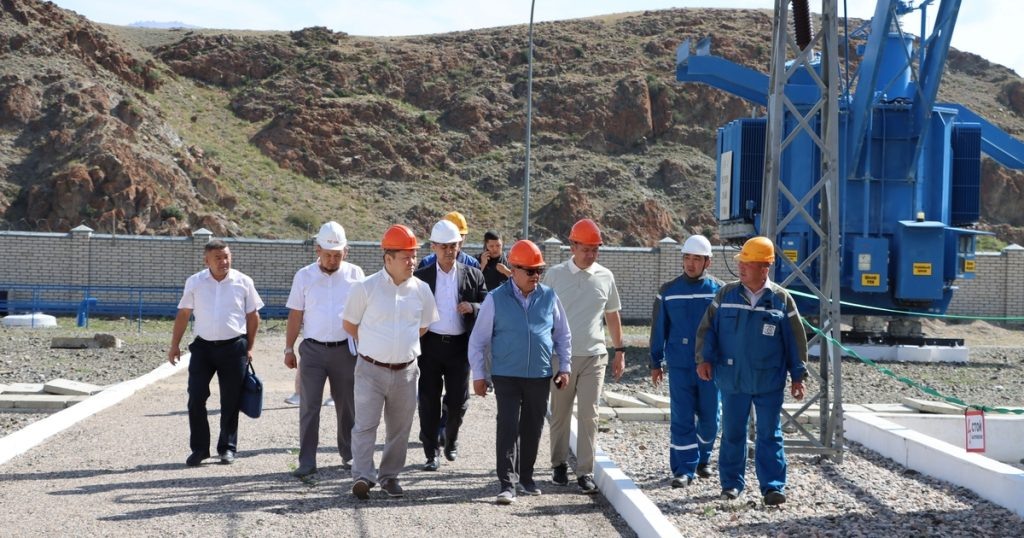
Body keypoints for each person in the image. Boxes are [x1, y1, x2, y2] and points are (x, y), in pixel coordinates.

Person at [695, 236, 808, 506]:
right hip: (732, 379)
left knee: (769, 433)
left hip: (769, 380)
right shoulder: (726, 295)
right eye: (741, 262)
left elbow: (795, 341)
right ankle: (731, 485)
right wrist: (703, 359)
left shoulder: (781, 300)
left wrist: (798, 376)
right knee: (733, 433)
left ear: (764, 267)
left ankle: (773, 487)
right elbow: (707, 330)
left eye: (748, 263)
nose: (741, 267)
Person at [468, 239, 572, 505]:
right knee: (508, 425)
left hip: (539, 374)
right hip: (506, 374)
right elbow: (478, 340)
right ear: (513, 270)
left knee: (533, 427)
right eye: (530, 271)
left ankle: (526, 477)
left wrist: (565, 367)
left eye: (539, 271)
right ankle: (507, 483)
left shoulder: (549, 296)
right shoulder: (495, 299)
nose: (536, 276)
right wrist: (479, 375)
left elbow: (562, 335)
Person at [343, 224, 438, 500]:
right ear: (388, 259)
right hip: (370, 370)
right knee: (365, 425)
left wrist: (399, 348)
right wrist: (376, 346)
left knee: (400, 429)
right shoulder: (366, 288)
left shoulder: (422, 290)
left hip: (406, 371)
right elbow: (350, 324)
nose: (413, 262)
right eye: (406, 257)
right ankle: (362, 476)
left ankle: (390, 477)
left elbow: (423, 327)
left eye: (414, 255)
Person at [544, 218, 625, 495]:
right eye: (586, 249)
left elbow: (612, 315)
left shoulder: (605, 276)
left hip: (594, 357)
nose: (591, 255)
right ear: (572, 247)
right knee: (560, 413)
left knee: (590, 415)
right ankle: (558, 464)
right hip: (561, 358)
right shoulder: (554, 276)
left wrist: (620, 350)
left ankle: (585, 472)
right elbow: (543, 316)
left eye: (595, 249)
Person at [168, 239, 264, 467]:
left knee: (231, 399)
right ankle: (200, 449)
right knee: (196, 397)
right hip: (203, 348)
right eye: (218, 258)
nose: (224, 262)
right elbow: (184, 314)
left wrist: (249, 347)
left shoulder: (244, 282)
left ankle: (227, 447)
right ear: (207, 260)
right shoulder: (195, 282)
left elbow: (253, 316)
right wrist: (174, 344)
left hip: (234, 348)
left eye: (226, 256)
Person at [283, 221, 365, 478]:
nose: (332, 260)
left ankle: (349, 455)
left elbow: (364, 313)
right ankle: (307, 461)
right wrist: (288, 348)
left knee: (347, 405)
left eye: (337, 255)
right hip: (313, 351)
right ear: (317, 250)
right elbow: (295, 314)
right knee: (309, 406)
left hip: (345, 351)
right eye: (328, 254)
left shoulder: (356, 275)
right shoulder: (304, 276)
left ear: (346, 252)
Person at [649, 235, 723, 488]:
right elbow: (658, 329)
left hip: (710, 366)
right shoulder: (668, 291)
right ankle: (683, 469)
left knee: (710, 419)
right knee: (681, 417)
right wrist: (655, 362)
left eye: (697, 259)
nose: (690, 264)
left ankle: (703, 457)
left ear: (707, 262)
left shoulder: (719, 291)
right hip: (680, 365)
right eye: (687, 258)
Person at [414, 219, 488, 471]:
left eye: (453, 246)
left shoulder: (473, 274)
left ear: (459, 246)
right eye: (443, 246)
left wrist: (473, 307)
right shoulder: (421, 277)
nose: (448, 251)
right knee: (428, 402)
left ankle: (451, 438)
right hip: (430, 347)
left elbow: (487, 304)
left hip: (459, 348)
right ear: (433, 247)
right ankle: (430, 453)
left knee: (457, 402)